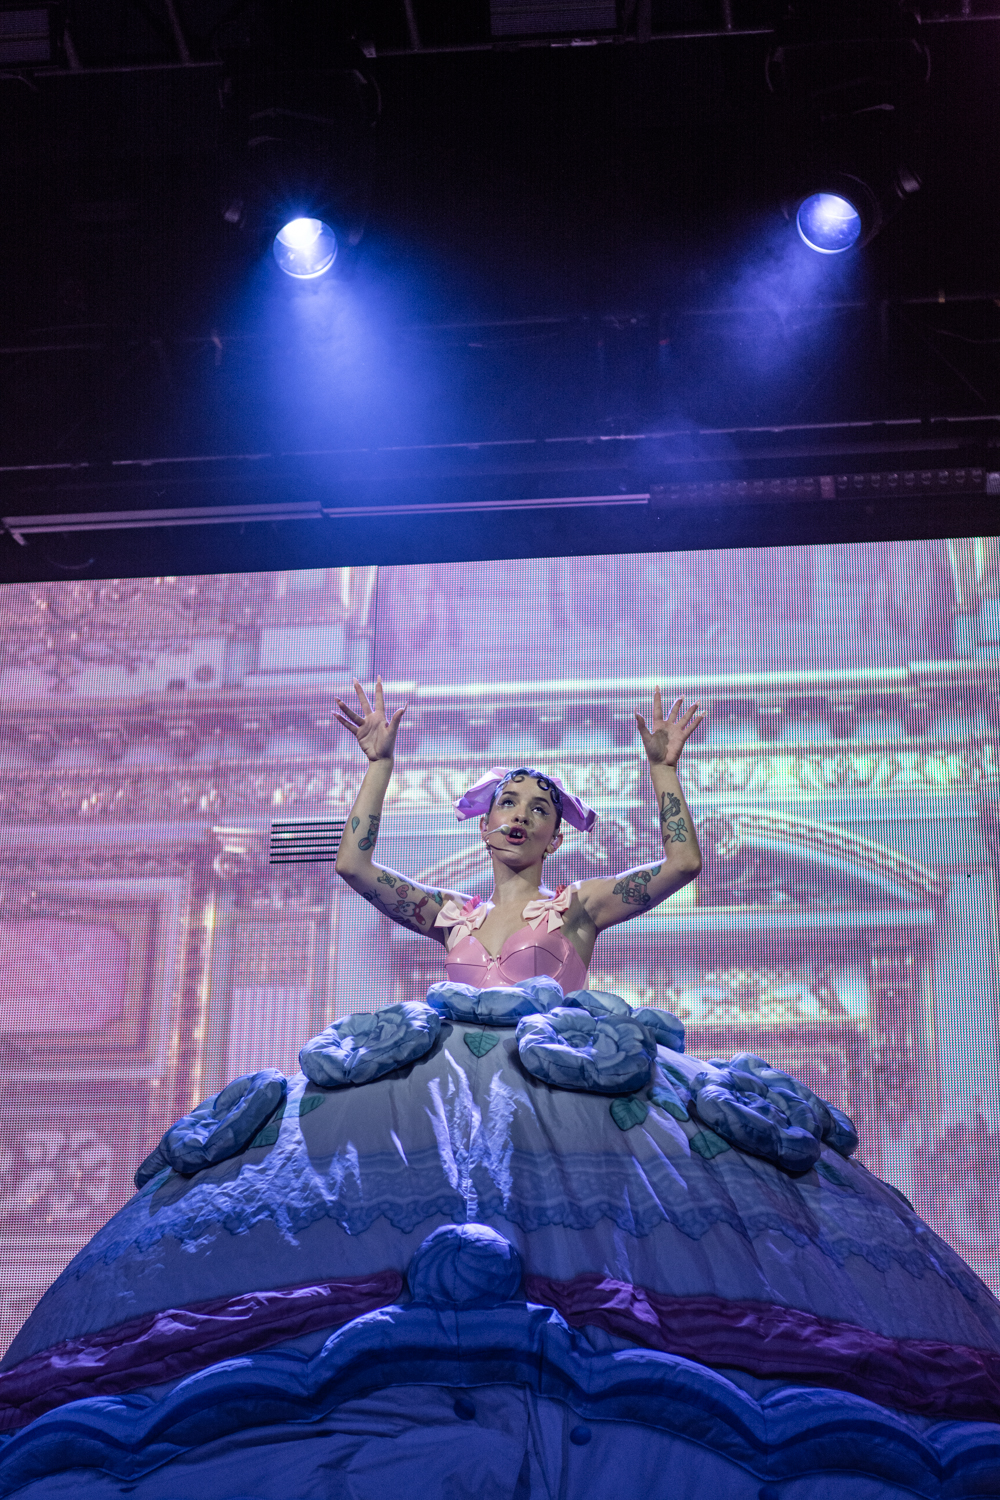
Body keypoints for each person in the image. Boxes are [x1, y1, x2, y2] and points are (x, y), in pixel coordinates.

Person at [333, 677, 705, 989]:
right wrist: (380, 765)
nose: (521, 815)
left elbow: (683, 864)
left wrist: (663, 770)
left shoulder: (579, 906)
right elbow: (353, 866)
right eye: (509, 802)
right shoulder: (451, 915)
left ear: (555, 840)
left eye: (539, 809)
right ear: (484, 826)